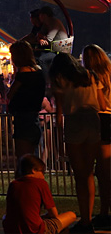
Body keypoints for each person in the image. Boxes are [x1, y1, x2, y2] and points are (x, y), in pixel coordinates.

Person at [50, 52, 101, 232]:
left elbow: (59, 111)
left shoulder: (59, 78)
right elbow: (100, 102)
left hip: (75, 120)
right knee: (88, 173)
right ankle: (88, 219)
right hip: (93, 119)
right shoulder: (90, 75)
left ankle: (85, 221)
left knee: (79, 174)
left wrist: (59, 136)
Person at [2, 154, 76, 234]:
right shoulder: (40, 183)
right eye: (42, 172)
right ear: (34, 170)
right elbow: (54, 214)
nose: (43, 176)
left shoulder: (13, 184)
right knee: (71, 215)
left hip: (12, 229)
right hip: (35, 230)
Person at [81, 44, 111, 230]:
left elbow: (100, 103)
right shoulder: (108, 74)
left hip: (98, 118)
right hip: (109, 118)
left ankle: (100, 213)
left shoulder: (93, 77)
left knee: (95, 170)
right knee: (105, 170)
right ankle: (104, 211)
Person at [7, 40, 46, 162]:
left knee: (23, 158)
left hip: (23, 118)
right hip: (34, 116)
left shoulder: (22, 73)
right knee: (32, 156)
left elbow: (10, 94)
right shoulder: (38, 71)